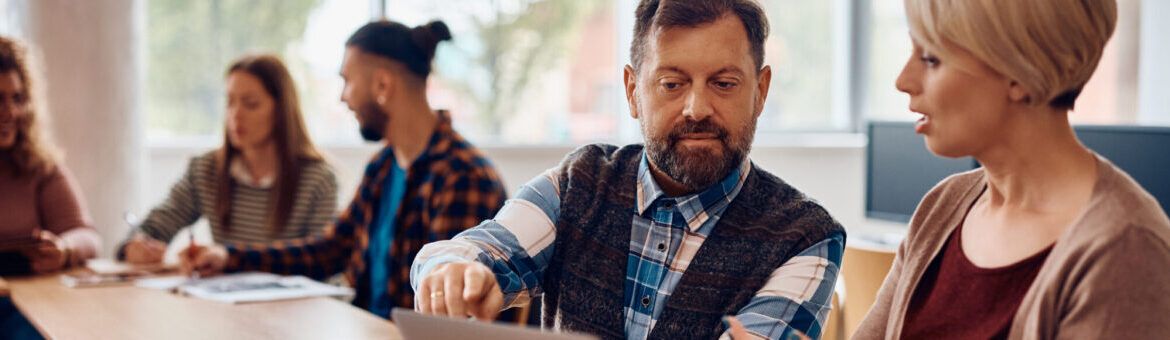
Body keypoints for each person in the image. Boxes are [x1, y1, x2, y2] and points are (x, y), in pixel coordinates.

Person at [410, 1, 846, 339]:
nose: (697, 108)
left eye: (724, 83)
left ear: (761, 91)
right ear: (633, 91)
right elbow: (479, 248)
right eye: (672, 84)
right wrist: (452, 271)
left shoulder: (805, 238)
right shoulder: (578, 182)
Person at [854, 0, 1170, 339]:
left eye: (931, 58)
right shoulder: (942, 206)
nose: (904, 80)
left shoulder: (1125, 251)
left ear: (1020, 71)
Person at [180, 20, 508, 320]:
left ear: (382, 84)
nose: (343, 97)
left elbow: (445, 315)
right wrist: (228, 257)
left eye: (347, 81)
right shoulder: (383, 166)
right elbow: (330, 249)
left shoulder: (463, 177)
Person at [117, 54, 337, 264]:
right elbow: (154, 227)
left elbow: (323, 260)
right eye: (230, 102)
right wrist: (135, 247)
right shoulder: (206, 170)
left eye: (250, 104)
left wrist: (231, 259)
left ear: (282, 111)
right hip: (223, 301)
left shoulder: (318, 179)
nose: (236, 115)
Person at [0, 34, 101, 340]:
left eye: (17, 99)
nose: (11, 112)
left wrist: (64, 249)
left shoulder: (39, 167)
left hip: (22, 307)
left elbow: (87, 235)